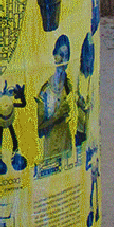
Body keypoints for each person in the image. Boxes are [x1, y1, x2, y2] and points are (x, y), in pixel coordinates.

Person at [35, 34, 72, 163]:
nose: (63, 59)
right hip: (52, 147)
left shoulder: (68, 84)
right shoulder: (46, 91)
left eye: (66, 55)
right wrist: (57, 115)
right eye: (60, 54)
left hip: (66, 144)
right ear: (54, 56)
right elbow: (39, 128)